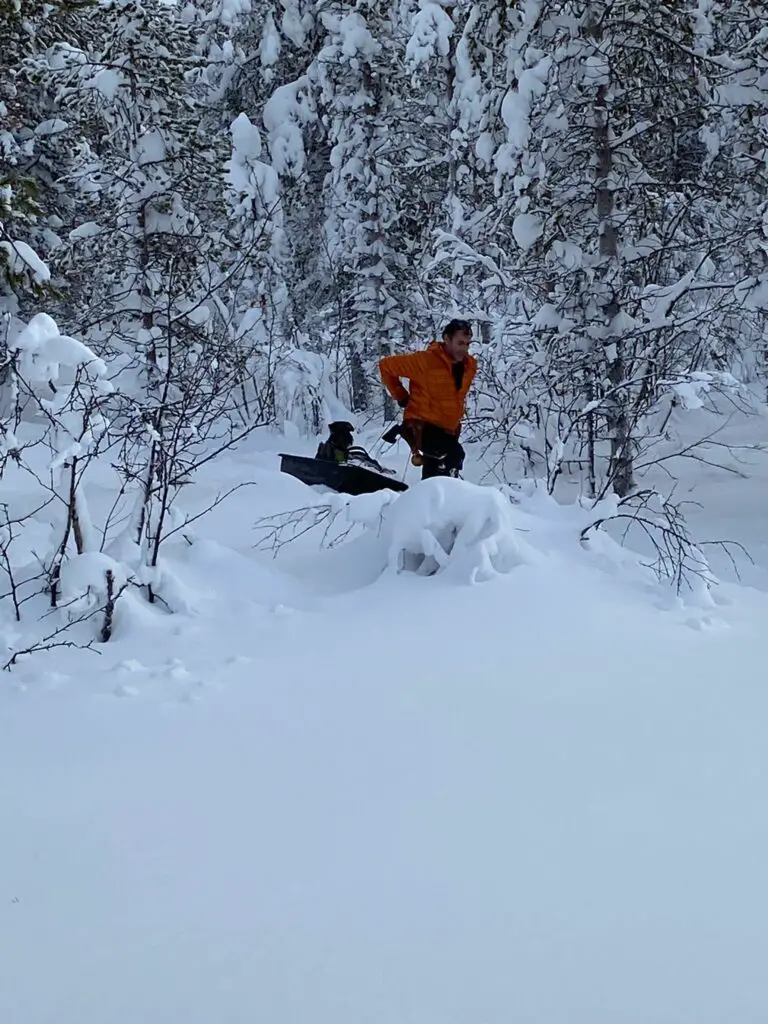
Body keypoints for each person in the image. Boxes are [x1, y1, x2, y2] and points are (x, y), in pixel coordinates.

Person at [378, 319, 477, 479]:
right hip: (422, 426)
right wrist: (401, 395)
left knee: (438, 466)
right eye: (460, 343)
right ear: (446, 339)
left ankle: (429, 500)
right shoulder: (424, 361)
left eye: (467, 344)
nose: (464, 349)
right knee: (453, 456)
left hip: (449, 430)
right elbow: (386, 366)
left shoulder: (469, 366)